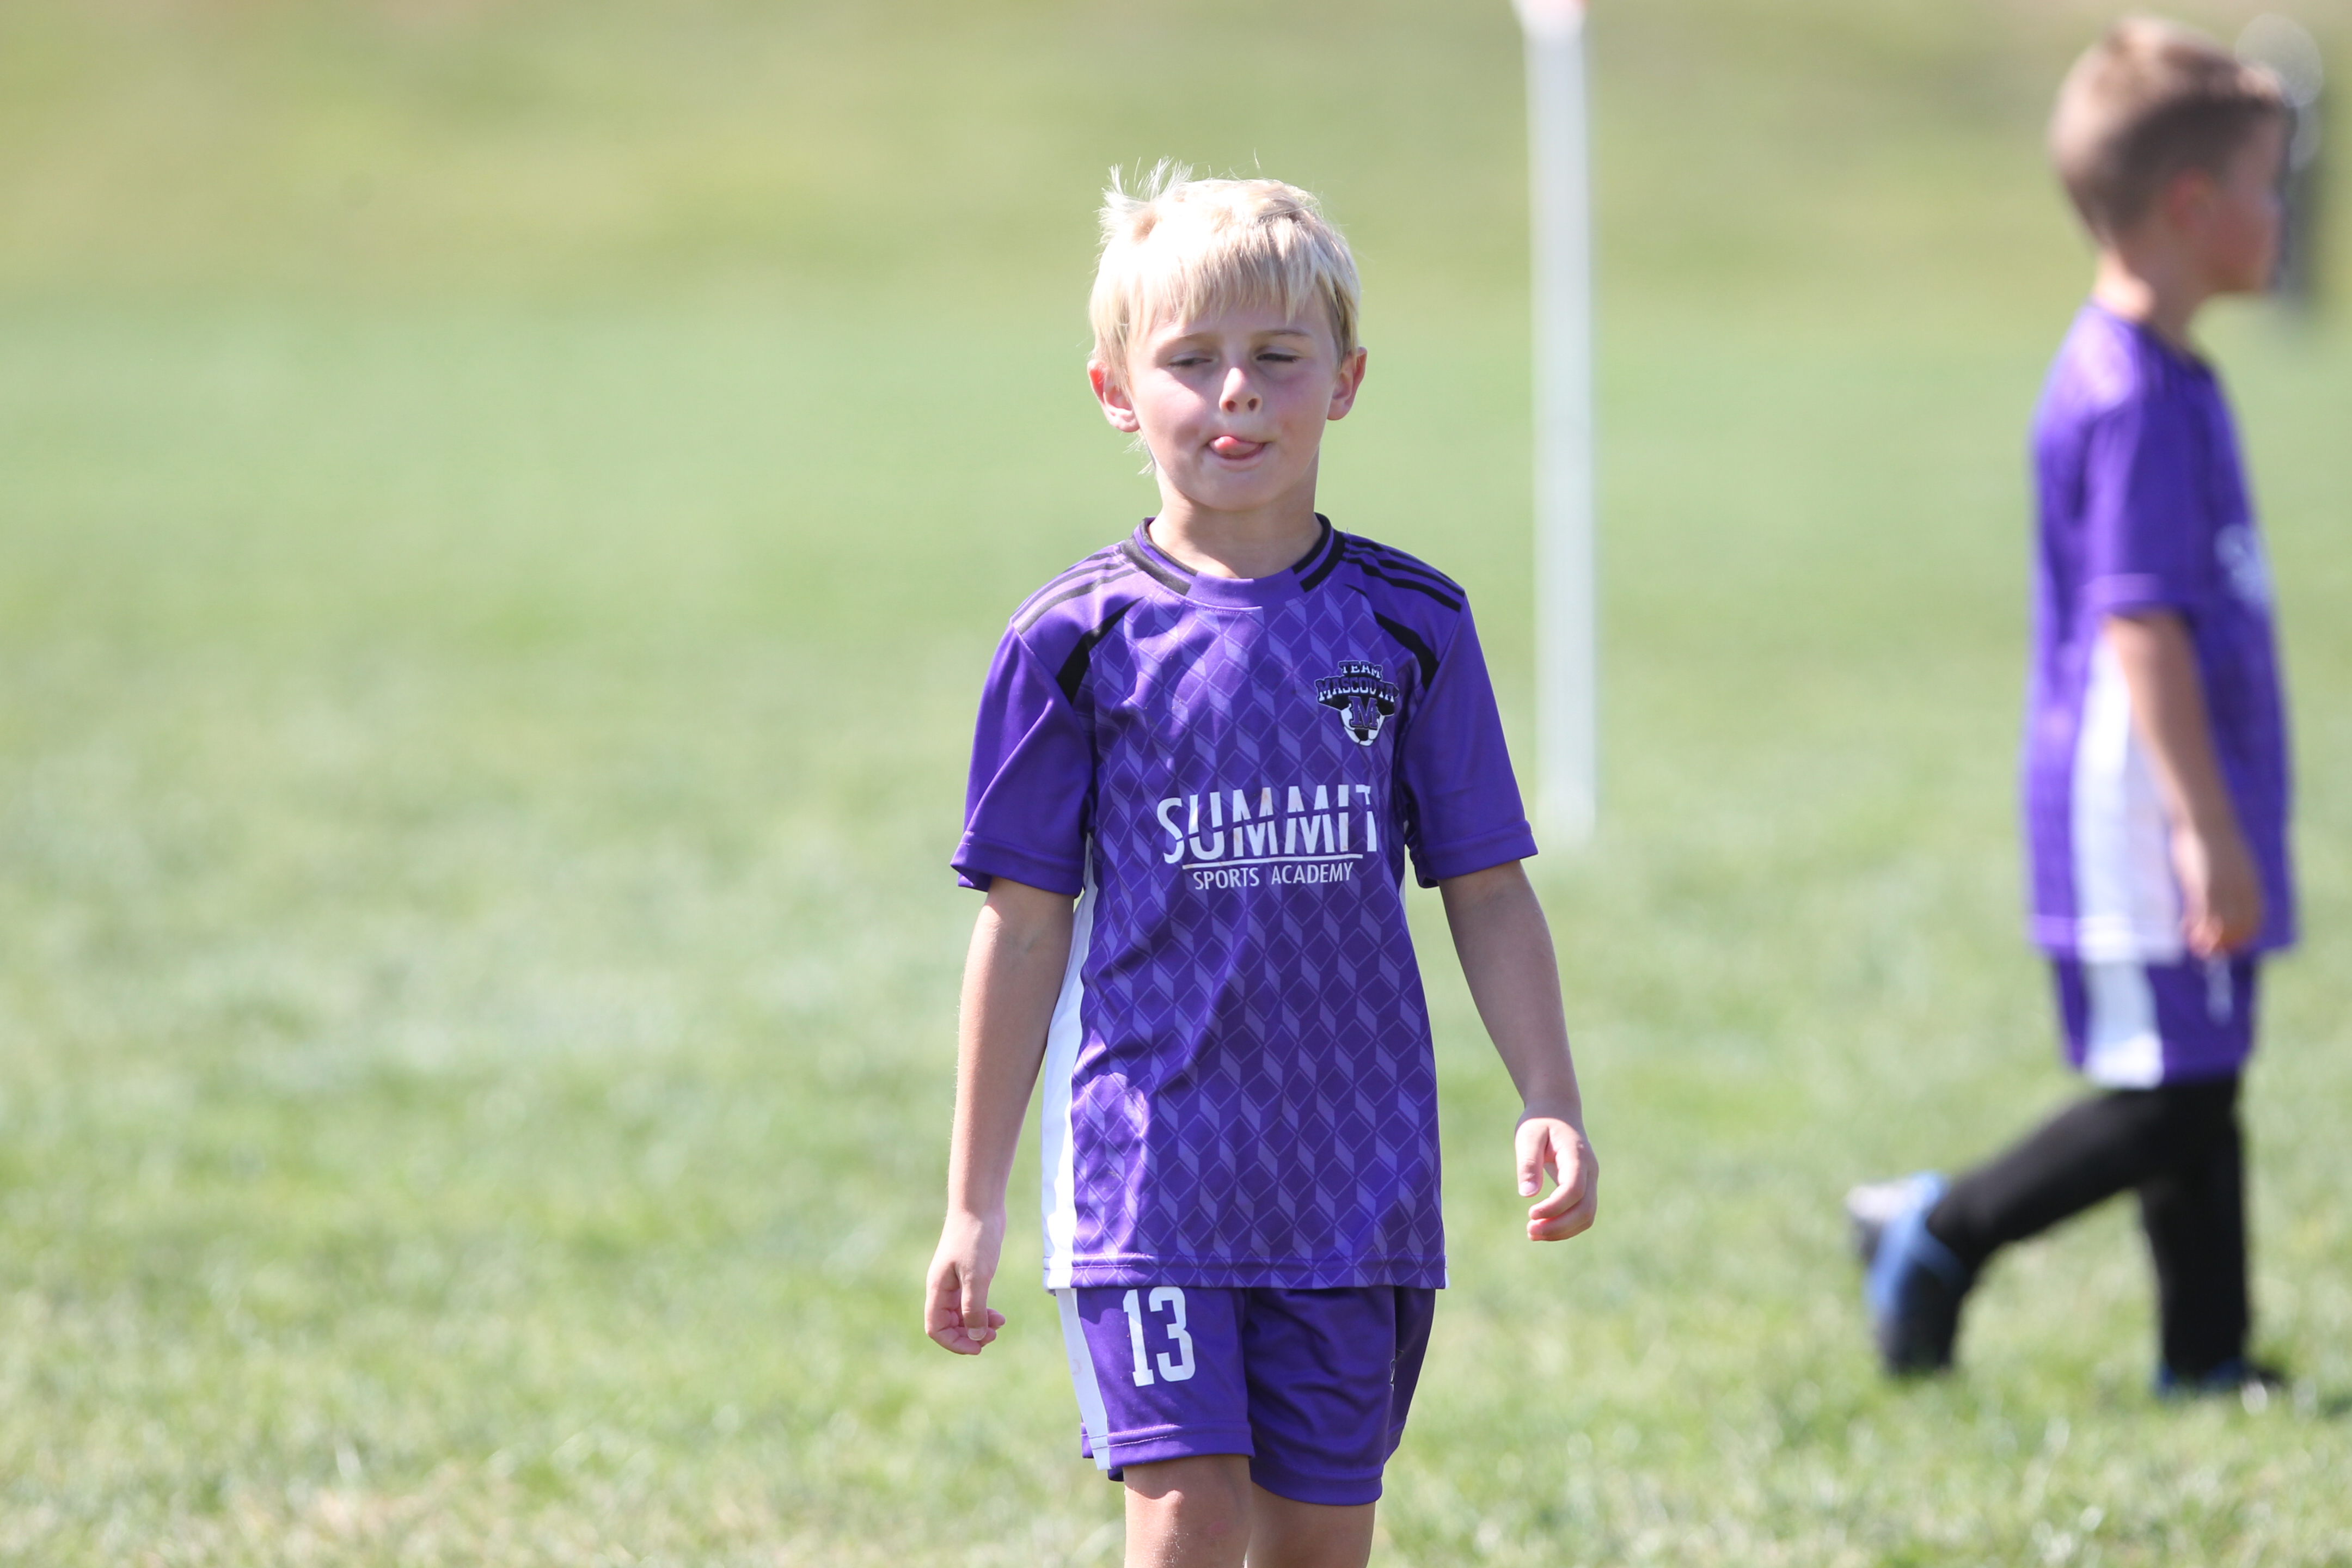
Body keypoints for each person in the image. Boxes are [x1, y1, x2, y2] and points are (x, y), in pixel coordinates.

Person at [922, 166, 1599, 1567]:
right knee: (1187, 1520)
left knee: (1316, 1544)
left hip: (1354, 1184)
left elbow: (1485, 885)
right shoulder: (1073, 642)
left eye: (1278, 357)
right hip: (1150, 1174)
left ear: (1345, 381)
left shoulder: (1410, 627)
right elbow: (1025, 927)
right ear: (1116, 391)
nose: (1236, 391)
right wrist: (973, 1202)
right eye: (1192, 360)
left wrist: (1550, 1094)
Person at [1850, 19, 2296, 1394]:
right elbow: (2142, 630)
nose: (2287, 214)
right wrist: (2202, 825)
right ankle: (1942, 1229)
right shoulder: (2132, 394)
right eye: (2270, 184)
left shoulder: (2170, 370)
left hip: (2176, 787)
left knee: (2201, 1075)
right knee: (2170, 1091)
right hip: (2140, 796)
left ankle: (2206, 1358)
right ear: (2192, 205)